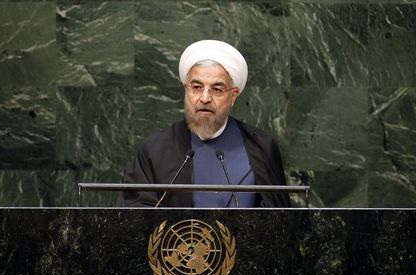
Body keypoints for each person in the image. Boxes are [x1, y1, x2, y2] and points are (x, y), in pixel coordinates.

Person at [117, 40, 291, 207]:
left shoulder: (261, 147)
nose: (205, 98)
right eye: (197, 87)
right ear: (186, 90)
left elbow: (279, 222)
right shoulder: (154, 149)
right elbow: (134, 217)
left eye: (217, 89)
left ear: (233, 96)